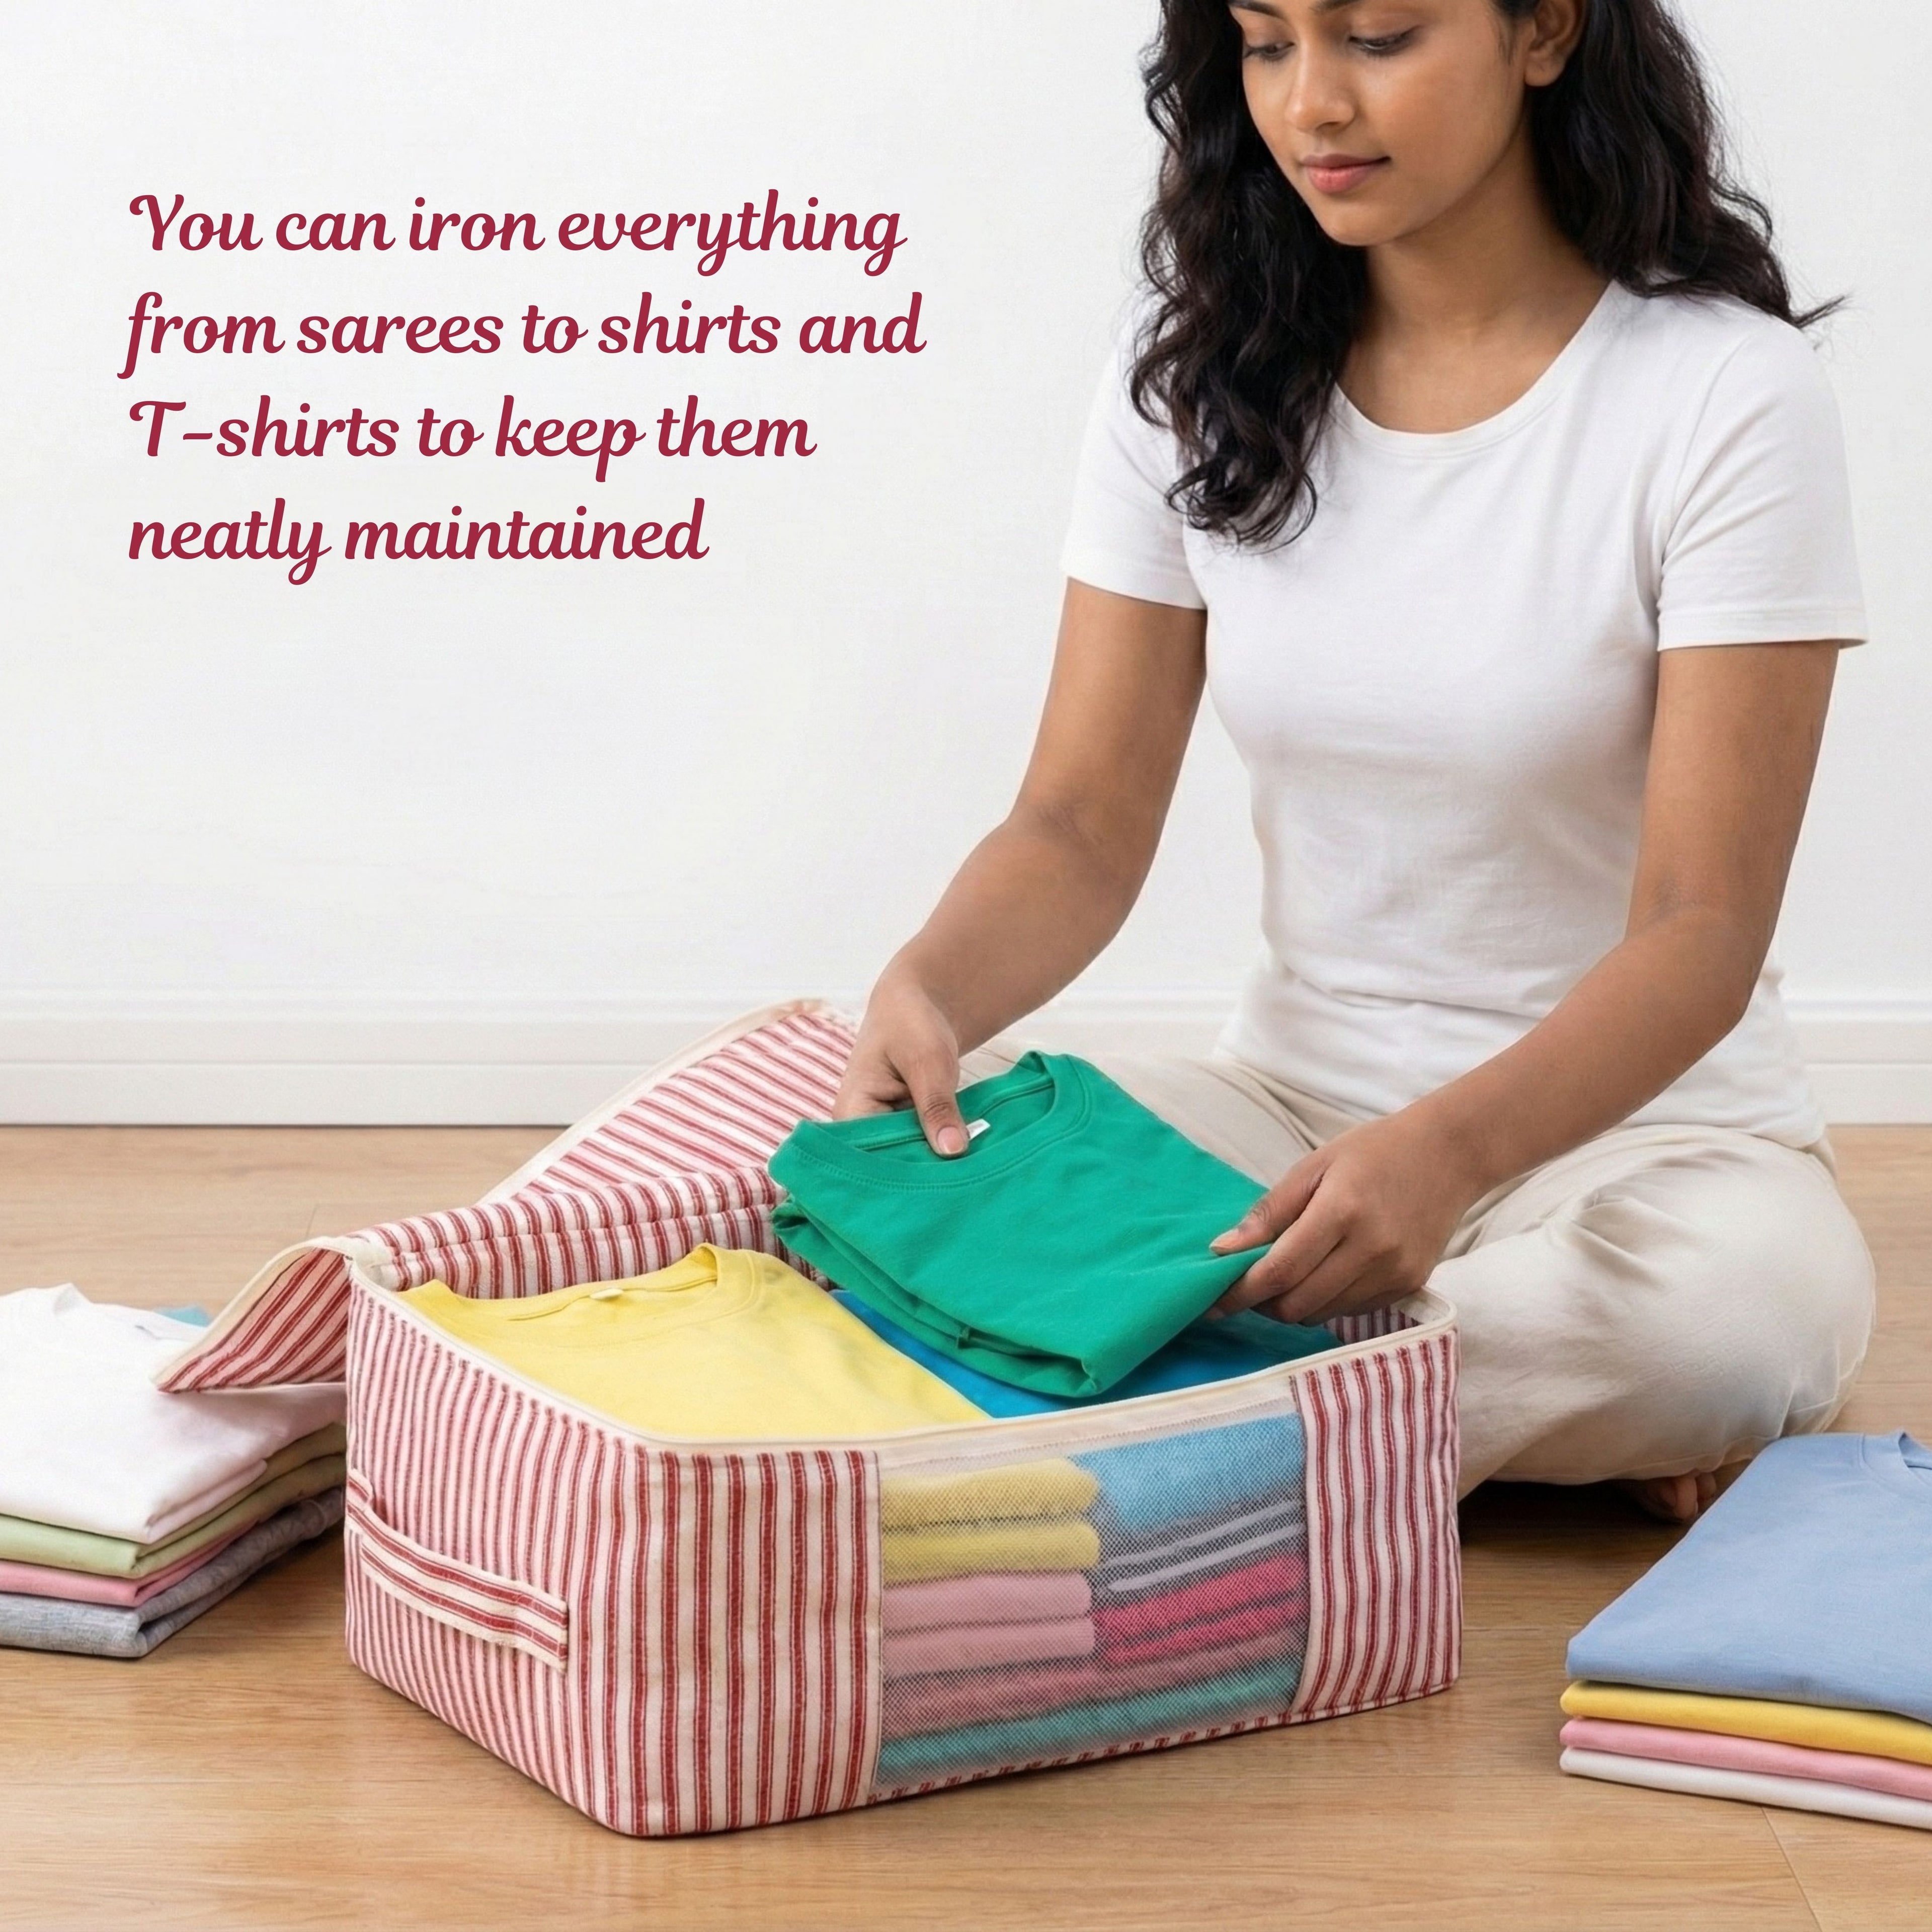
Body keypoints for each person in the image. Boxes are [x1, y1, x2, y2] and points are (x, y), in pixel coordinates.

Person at [832, 0, 1876, 1522]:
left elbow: (1701, 933)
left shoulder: (1724, 394)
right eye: (1266, 44)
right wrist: (931, 988)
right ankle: (1425, 1421)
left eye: (1377, 36)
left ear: (1544, 32)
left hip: (1645, 1147)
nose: (1312, 101)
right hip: (1288, 1120)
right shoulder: (1193, 367)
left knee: (1727, 1321)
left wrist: (1444, 1160)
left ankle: (1114, 1416)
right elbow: (1076, 822)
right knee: (886, 1159)